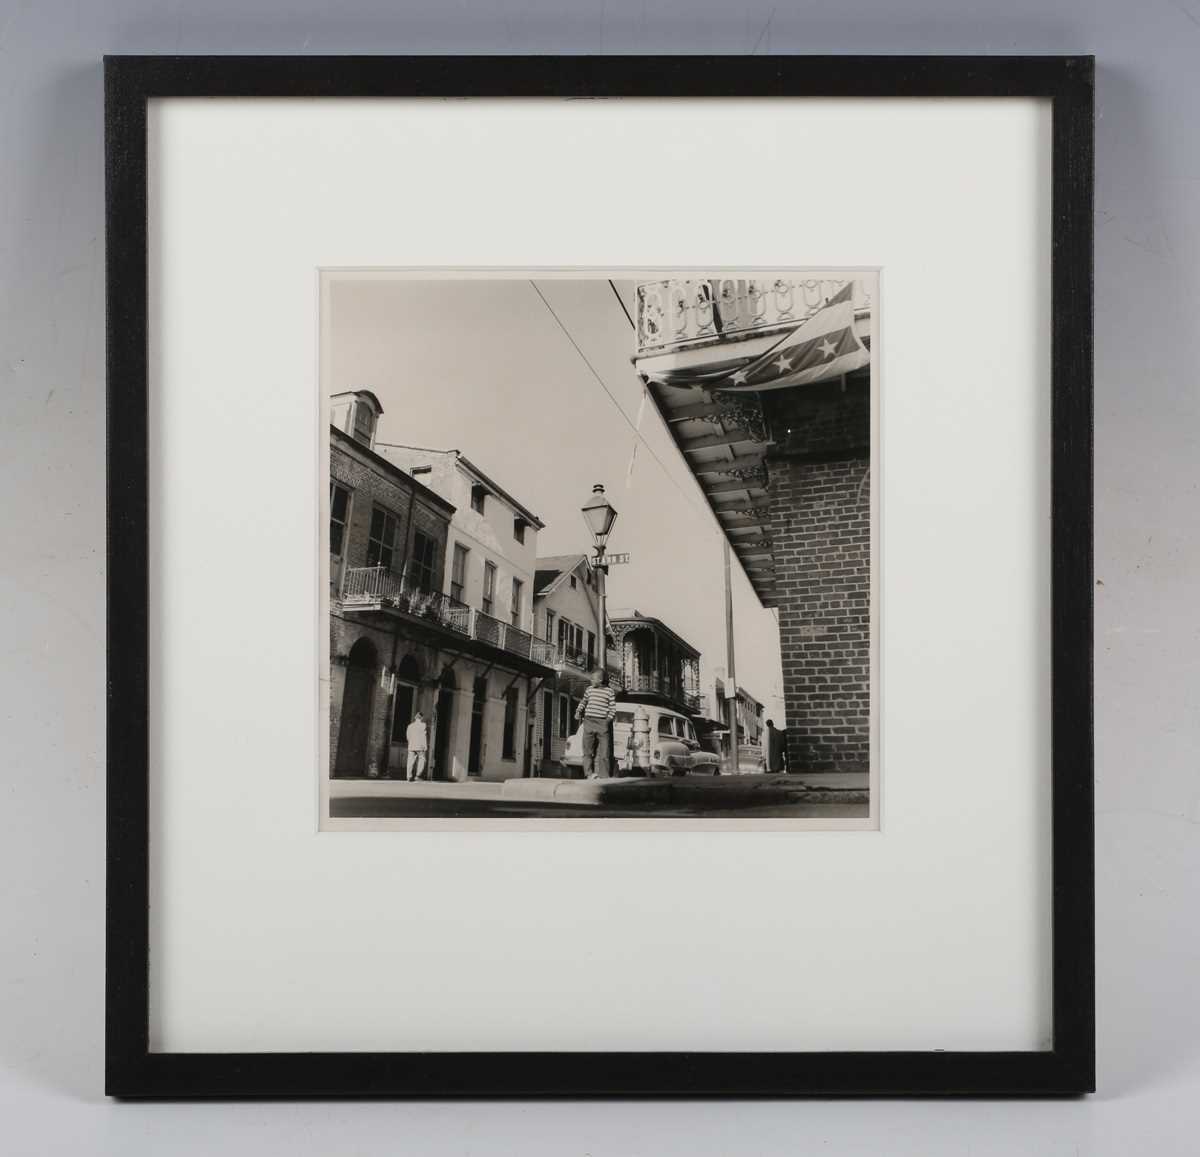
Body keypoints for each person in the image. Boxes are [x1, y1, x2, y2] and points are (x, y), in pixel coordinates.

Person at [574, 669, 616, 779]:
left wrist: (607, 721)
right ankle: (589, 774)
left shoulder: (609, 692)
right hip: (589, 722)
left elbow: (612, 709)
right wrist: (578, 711)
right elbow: (583, 701)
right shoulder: (589, 690)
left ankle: (604, 775)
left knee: (605, 752)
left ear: (600, 680)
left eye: (593, 678)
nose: (591, 680)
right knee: (587, 750)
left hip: (602, 723)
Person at [405, 711, 429, 781]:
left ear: (415, 717)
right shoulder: (423, 725)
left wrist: (411, 742)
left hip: (411, 745)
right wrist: (425, 746)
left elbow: (408, 737)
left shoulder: (410, 726)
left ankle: (409, 776)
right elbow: (423, 736)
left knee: (410, 761)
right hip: (420, 746)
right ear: (421, 718)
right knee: (422, 760)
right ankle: (418, 776)